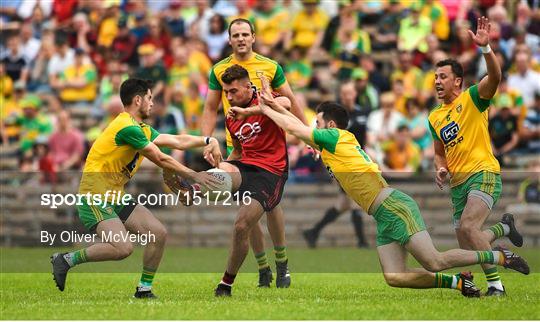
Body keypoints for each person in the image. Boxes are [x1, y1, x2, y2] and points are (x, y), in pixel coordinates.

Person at [256, 80, 529, 297]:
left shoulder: (335, 136)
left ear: (329, 125)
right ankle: (459, 283)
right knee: (395, 277)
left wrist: (267, 108)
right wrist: (272, 106)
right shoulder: (332, 142)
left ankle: (499, 256)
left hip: (393, 206)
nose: (312, 127)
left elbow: (298, 130)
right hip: (382, 214)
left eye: (316, 122)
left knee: (433, 261)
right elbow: (299, 127)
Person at [50, 78, 222, 298]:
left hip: (115, 194)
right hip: (94, 195)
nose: (152, 103)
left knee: (157, 234)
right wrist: (194, 175)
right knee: (123, 248)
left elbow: (177, 141)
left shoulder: (139, 128)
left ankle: (144, 290)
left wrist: (208, 140)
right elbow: (161, 158)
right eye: (150, 98)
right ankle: (65, 260)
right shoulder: (126, 128)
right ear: (138, 100)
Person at [202, 18, 305, 288]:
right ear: (229, 40)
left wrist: (308, 135)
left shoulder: (270, 67)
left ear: (253, 37)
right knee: (248, 212)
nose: (240, 39)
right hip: (239, 143)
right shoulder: (219, 69)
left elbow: (289, 101)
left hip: (269, 146)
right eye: (235, 35)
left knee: (271, 206)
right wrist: (206, 140)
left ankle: (281, 265)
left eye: (244, 34)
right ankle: (263, 268)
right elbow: (210, 107)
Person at [428, 17, 522, 296]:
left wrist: (485, 50)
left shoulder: (473, 98)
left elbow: (495, 77)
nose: (437, 82)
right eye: (435, 77)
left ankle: (496, 287)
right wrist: (441, 168)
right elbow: (438, 154)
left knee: (469, 227)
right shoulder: (434, 117)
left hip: (483, 173)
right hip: (457, 184)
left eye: (442, 77)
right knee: (469, 241)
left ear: (457, 80)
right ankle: (503, 228)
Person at [212, 65, 291, 296]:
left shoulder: (265, 99)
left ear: (248, 87)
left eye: (233, 91)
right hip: (247, 166)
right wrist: (221, 168)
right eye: (226, 92)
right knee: (216, 173)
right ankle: (195, 187)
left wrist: (251, 111)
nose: (228, 97)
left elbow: (286, 104)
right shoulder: (231, 117)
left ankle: (281, 265)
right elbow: (237, 152)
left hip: (272, 170)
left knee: (243, 224)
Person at [303, 82, 369, 248]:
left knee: (342, 205)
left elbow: (365, 140)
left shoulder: (362, 114)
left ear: (355, 94)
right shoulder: (334, 117)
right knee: (354, 203)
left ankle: (313, 232)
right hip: (341, 164)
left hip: (355, 163)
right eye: (344, 93)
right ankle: (361, 242)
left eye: (350, 93)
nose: (347, 96)